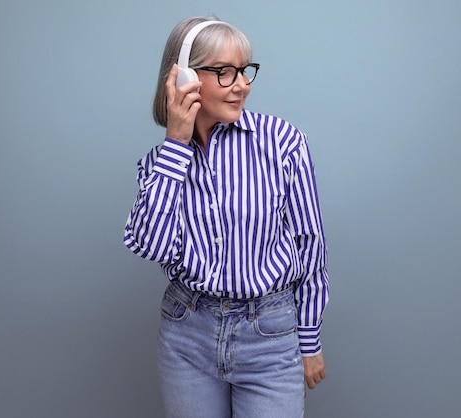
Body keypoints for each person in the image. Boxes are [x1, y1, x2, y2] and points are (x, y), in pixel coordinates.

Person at [123, 16, 329, 418]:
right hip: (187, 335)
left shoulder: (283, 142)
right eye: (225, 72)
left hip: (269, 334)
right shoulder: (159, 164)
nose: (242, 84)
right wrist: (177, 144)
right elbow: (151, 246)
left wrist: (309, 338)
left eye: (244, 70)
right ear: (183, 78)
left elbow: (310, 245)